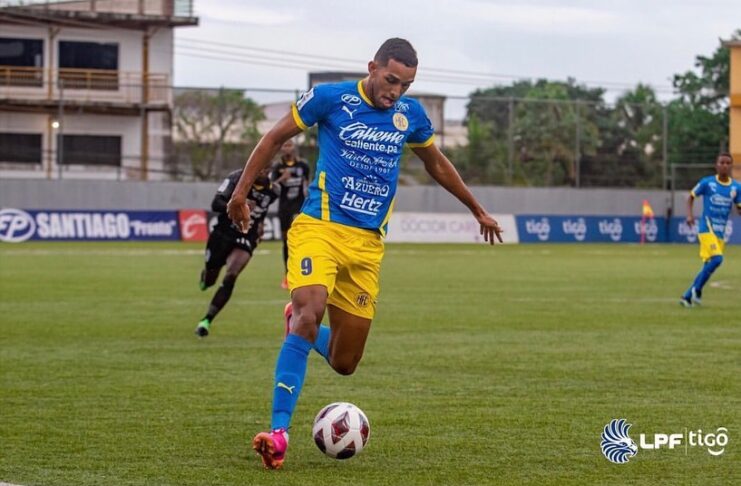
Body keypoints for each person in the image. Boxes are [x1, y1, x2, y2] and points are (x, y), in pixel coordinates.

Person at [226, 38, 503, 469]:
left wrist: (477, 209)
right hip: (319, 227)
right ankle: (278, 434)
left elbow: (435, 162)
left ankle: (298, 323)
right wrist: (241, 193)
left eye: (406, 85)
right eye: (391, 80)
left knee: (345, 362)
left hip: (367, 245)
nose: (396, 91)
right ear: (372, 67)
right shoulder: (330, 98)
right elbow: (275, 136)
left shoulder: (409, 115)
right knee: (310, 311)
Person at [195, 166, 279, 337]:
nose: (262, 170)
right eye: (260, 166)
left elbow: (262, 210)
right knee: (210, 279)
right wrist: (238, 204)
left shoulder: (274, 190)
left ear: (270, 168)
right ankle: (206, 278)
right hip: (223, 233)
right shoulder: (237, 178)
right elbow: (216, 203)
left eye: (266, 167)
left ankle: (206, 321)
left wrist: (260, 225)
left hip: (247, 235)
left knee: (231, 274)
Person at [680, 153, 741, 307]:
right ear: (716, 165)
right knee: (717, 259)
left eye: (728, 163)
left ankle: (688, 296)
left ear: (731, 166)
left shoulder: (736, 187)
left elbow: (739, 208)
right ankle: (695, 290)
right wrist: (689, 215)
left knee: (709, 265)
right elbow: (691, 197)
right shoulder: (707, 183)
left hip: (721, 232)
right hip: (707, 228)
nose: (725, 165)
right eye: (722, 163)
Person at [271, 139, 311, 289]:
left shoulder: (303, 165)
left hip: (298, 207)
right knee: (286, 241)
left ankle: (301, 273)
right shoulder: (277, 167)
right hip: (284, 208)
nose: (287, 148)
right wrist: (282, 178)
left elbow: (307, 184)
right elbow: (271, 186)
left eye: (289, 145)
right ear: (282, 148)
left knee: (299, 240)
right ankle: (287, 274)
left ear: (294, 147)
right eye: (285, 145)